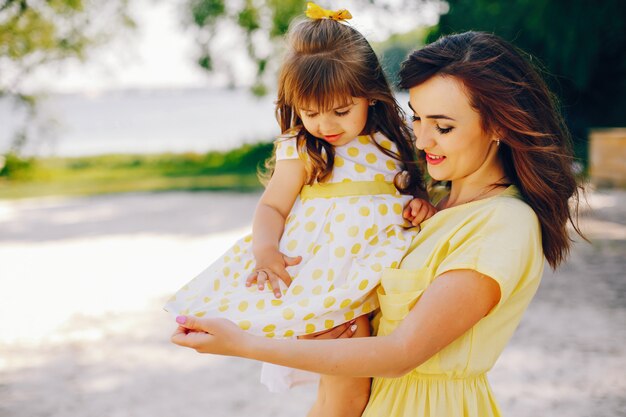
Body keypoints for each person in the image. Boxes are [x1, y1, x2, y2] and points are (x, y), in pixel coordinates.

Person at [170, 31, 585, 417]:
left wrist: (245, 345)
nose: (420, 141)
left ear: (498, 123)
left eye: (442, 126)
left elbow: (402, 352)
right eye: (417, 119)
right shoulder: (429, 205)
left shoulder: (502, 225)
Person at [164, 3, 434, 416]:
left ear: (370, 94)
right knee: (348, 394)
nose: (326, 124)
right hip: (328, 283)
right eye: (311, 112)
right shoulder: (305, 149)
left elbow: (406, 197)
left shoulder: (391, 144)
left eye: (341, 111)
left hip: (381, 279)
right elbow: (272, 206)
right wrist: (266, 249)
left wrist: (418, 204)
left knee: (346, 391)